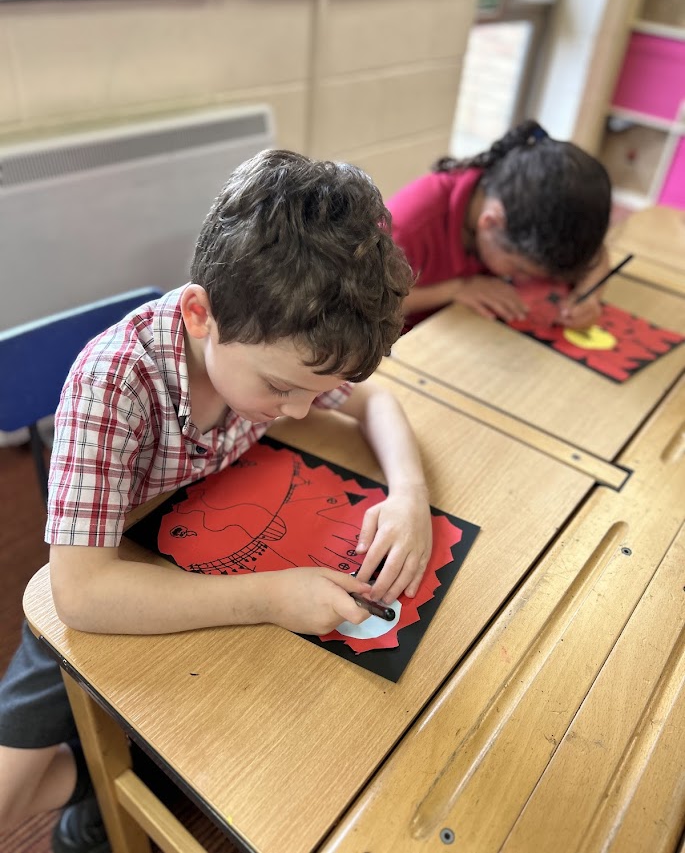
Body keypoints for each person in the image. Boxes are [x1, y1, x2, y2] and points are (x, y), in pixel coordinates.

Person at [0, 150, 433, 853]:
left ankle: (97, 798)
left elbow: (374, 398)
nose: (297, 411)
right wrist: (271, 597)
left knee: (234, 739)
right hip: (108, 580)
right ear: (201, 313)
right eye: (279, 390)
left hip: (205, 555)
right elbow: (79, 592)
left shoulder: (279, 343)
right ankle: (93, 797)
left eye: (305, 390)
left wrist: (409, 494)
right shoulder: (114, 381)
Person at [387, 119, 613, 330]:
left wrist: (588, 296)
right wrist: (456, 289)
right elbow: (361, 305)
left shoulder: (520, 210)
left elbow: (596, 256)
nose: (524, 280)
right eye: (520, 269)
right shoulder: (406, 227)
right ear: (490, 223)